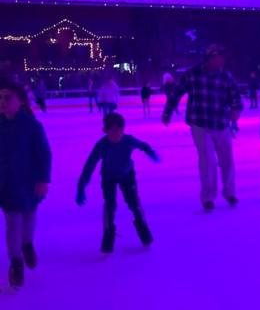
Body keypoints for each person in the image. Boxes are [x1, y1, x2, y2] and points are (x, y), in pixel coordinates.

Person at [162, 44, 243, 211]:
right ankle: (208, 197)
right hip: (200, 123)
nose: (222, 60)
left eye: (223, 57)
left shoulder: (226, 77)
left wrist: (236, 109)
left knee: (227, 160)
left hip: (221, 123)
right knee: (208, 161)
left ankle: (230, 192)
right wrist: (168, 112)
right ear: (210, 57)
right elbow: (177, 92)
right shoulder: (193, 74)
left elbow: (235, 95)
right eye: (219, 57)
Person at [76, 112, 158, 253]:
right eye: (113, 130)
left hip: (127, 175)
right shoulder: (101, 145)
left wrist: (150, 151)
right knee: (110, 205)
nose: (117, 134)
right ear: (105, 131)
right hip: (109, 177)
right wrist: (81, 187)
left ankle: (144, 231)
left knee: (134, 203)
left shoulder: (128, 141)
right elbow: (89, 165)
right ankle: (108, 236)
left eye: (120, 130)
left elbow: (142, 145)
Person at [0, 79, 51, 288]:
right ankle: (16, 261)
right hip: (6, 184)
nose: (2, 102)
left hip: (29, 182)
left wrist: (43, 179)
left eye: (7, 98)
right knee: (13, 222)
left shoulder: (31, 126)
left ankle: (27, 244)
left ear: (20, 101)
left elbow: (44, 154)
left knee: (29, 216)